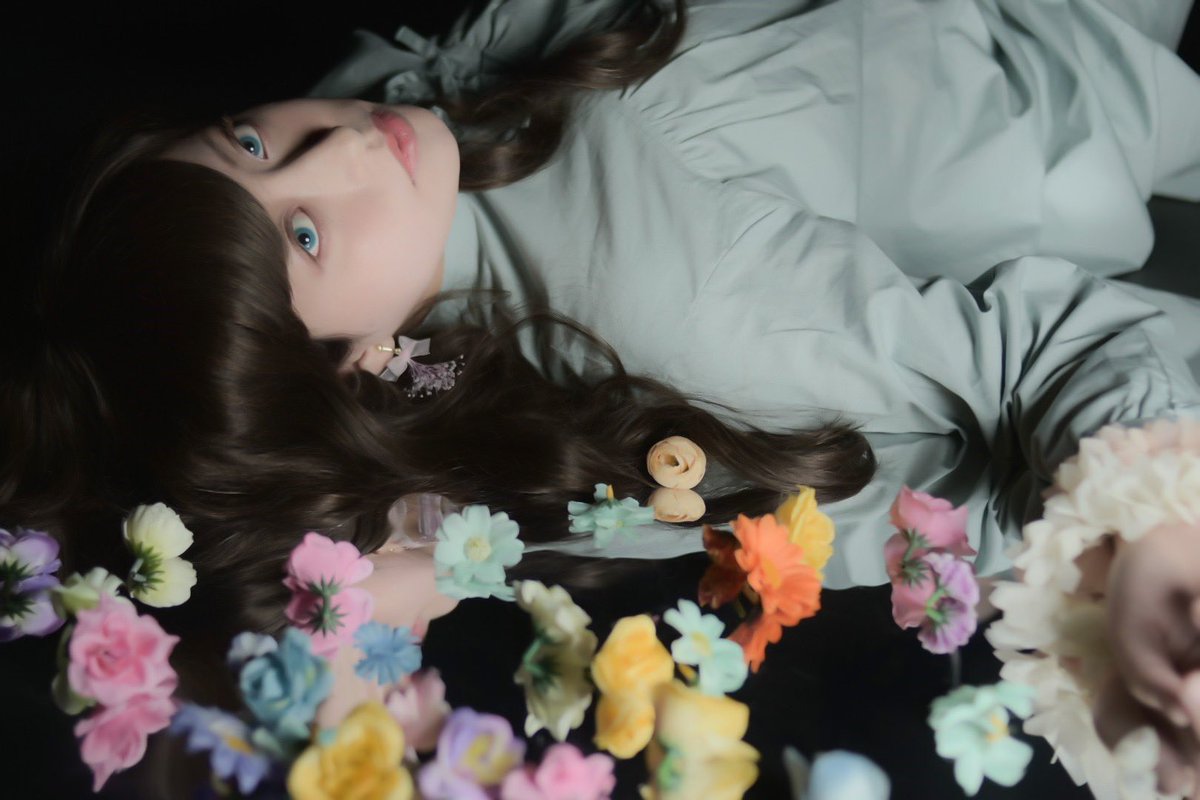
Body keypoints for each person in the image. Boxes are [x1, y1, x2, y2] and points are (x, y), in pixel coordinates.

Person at [3, 0, 1200, 793]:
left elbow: (1060, 349)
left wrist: (1148, 529)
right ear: (347, 371)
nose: (346, 140)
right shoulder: (507, 349)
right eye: (306, 231)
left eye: (248, 144)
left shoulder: (597, 295)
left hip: (1045, 79)